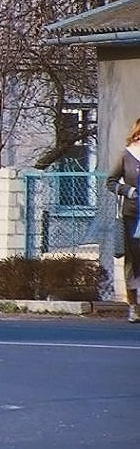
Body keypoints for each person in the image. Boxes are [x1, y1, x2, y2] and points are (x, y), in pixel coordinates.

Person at [105, 116, 140, 323]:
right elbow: (110, 182)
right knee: (134, 261)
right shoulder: (127, 156)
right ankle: (134, 306)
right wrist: (128, 191)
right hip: (133, 216)